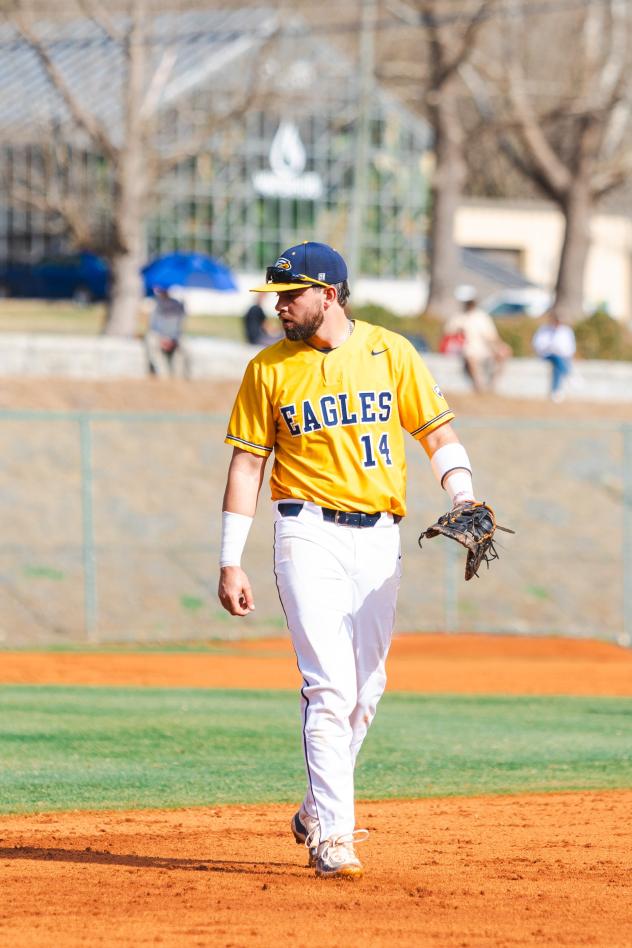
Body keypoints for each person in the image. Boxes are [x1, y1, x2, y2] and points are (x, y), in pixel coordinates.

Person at [217, 241, 481, 880]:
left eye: (292, 292)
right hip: (305, 531)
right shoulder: (268, 369)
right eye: (278, 294)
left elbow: (436, 433)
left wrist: (466, 494)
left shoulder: (392, 352)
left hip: (380, 537)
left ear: (329, 294)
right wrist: (231, 559)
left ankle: (315, 806)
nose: (280, 304)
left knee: (367, 690)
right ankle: (333, 837)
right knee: (328, 685)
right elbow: (248, 462)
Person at [444, 287, 511, 393]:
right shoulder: (458, 317)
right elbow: (448, 334)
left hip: (484, 349)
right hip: (467, 349)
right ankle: (479, 386)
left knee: (504, 353)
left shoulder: (482, 316)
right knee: (470, 356)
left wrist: (500, 347)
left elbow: (492, 336)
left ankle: (492, 386)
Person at [532, 312, 576, 402]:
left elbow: (570, 348)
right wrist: (549, 347)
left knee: (557, 364)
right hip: (546, 355)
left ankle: (555, 390)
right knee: (556, 358)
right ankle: (568, 374)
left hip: (562, 357)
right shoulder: (544, 329)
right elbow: (537, 344)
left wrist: (560, 351)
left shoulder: (566, 331)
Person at [145, 285, 188, 377]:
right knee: (151, 341)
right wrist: (162, 339)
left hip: (173, 337)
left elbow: (179, 326)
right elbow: (153, 327)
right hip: (159, 337)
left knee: (184, 347)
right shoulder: (155, 305)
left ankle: (180, 375)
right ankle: (162, 374)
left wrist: (172, 339)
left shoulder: (177, 305)